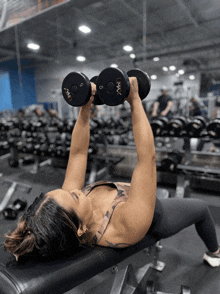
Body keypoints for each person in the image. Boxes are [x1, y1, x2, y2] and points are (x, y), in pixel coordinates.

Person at [4, 78, 220, 267]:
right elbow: (147, 159)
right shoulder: (126, 224)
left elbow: (78, 153)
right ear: (80, 230)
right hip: (155, 215)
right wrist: (135, 101)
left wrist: (85, 107)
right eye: (73, 195)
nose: (73, 190)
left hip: (120, 196)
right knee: (200, 209)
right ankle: (214, 253)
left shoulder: (68, 212)